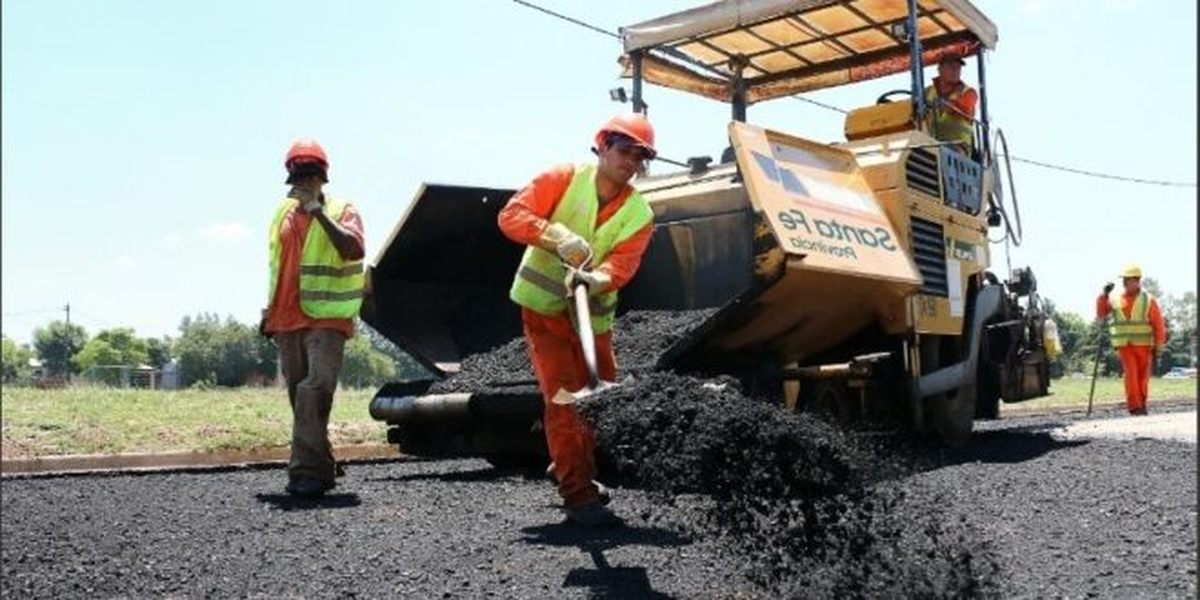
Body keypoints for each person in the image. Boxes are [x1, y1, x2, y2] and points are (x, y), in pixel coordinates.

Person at [497, 114, 657, 526]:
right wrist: (557, 237)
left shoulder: (640, 213)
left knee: (602, 403)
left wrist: (595, 277)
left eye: (639, 157)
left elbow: (623, 265)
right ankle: (579, 495)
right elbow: (511, 216)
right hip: (544, 311)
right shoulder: (564, 178)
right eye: (624, 150)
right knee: (565, 400)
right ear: (603, 146)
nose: (630, 162)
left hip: (593, 322)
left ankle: (566, 463)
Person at [262, 138, 366, 498]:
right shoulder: (281, 215)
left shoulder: (341, 210)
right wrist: (268, 310)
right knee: (299, 396)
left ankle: (305, 473)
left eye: (309, 174)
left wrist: (317, 211)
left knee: (314, 388)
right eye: (298, 176)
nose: (303, 182)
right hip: (287, 317)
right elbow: (278, 267)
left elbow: (354, 249)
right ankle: (321, 464)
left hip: (327, 317)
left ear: (322, 176)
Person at [1095, 264, 1166, 416]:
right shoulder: (1114, 299)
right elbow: (1101, 314)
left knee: (1143, 377)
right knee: (1131, 374)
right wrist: (1103, 296)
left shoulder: (1148, 300)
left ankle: (1142, 404)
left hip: (1144, 345)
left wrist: (1159, 345)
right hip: (1125, 345)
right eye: (1124, 279)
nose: (1124, 282)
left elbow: (1158, 324)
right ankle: (1134, 406)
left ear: (1137, 280)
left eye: (1128, 279)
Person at [924, 52, 979, 153]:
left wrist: (950, 105)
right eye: (952, 67)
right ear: (940, 69)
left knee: (944, 151)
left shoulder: (968, 92)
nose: (956, 71)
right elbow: (912, 110)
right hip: (930, 143)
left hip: (959, 147)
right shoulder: (927, 92)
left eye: (958, 68)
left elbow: (965, 109)